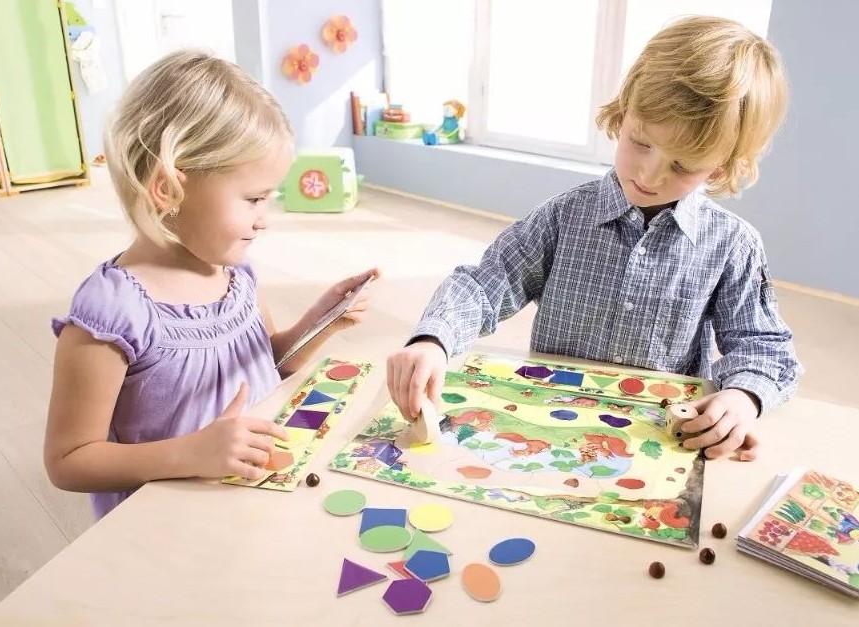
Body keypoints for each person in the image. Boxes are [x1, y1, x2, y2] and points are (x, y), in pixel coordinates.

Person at [387, 16, 803, 461]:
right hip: (545, 431)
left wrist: (743, 397)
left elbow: (764, 346)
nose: (650, 175)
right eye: (641, 142)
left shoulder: (733, 245)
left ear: (720, 167)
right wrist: (434, 339)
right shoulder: (563, 217)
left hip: (656, 445)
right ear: (622, 116)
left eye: (682, 166)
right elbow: (485, 283)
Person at [44, 50, 377, 519]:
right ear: (168, 189)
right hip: (169, 524)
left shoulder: (235, 277)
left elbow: (265, 368)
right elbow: (68, 461)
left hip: (250, 504)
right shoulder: (112, 312)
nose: (264, 220)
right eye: (253, 199)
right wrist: (192, 453)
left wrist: (320, 323)